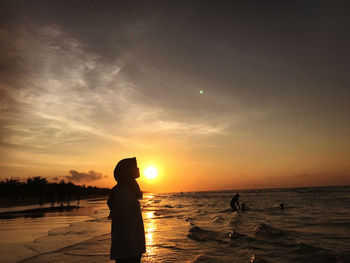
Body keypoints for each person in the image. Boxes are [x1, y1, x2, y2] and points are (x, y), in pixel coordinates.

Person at [107, 157, 146, 263]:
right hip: (127, 250)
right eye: (135, 167)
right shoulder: (124, 193)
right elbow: (126, 225)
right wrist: (131, 250)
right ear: (127, 171)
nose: (138, 169)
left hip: (131, 248)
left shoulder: (128, 189)